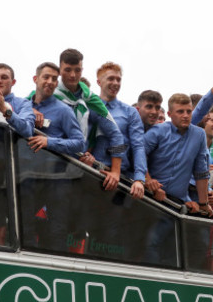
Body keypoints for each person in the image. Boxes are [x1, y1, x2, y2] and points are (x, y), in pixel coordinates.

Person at [21, 62, 86, 250]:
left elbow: (79, 143)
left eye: (54, 79)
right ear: (36, 79)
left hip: (56, 180)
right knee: (25, 227)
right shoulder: (23, 105)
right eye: (46, 77)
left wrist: (49, 142)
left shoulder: (63, 110)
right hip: (27, 177)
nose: (50, 82)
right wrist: (29, 111)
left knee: (56, 231)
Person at [53, 48, 125, 191]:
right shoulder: (48, 91)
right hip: (47, 159)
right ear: (59, 69)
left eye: (77, 70)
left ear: (82, 70)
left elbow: (116, 135)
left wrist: (116, 172)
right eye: (67, 70)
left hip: (78, 168)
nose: (73, 75)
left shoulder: (91, 100)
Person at [144, 93, 210, 210]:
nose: (185, 115)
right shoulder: (157, 131)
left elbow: (201, 171)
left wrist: (203, 203)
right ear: (169, 114)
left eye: (189, 111)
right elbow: (137, 154)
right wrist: (148, 180)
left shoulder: (199, 135)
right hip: (149, 197)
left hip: (178, 203)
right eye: (180, 112)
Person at [92, 62, 146, 199]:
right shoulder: (88, 107)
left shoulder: (130, 112)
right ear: (99, 82)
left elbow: (138, 146)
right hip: (89, 171)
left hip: (120, 179)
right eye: (111, 79)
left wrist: (139, 179)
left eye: (118, 79)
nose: (115, 83)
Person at [0, 63, 35, 138]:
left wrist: (5, 110)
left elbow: (28, 131)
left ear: (13, 82)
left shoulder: (23, 104)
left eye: (4, 77)